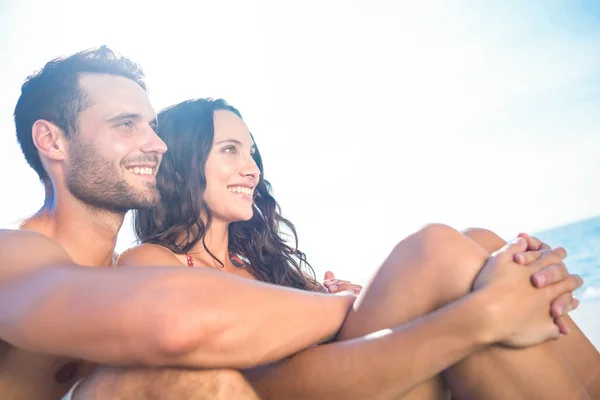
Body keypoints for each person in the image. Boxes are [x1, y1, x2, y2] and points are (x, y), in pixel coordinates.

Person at [122, 97, 600, 399]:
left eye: (252, 153)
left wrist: (338, 299)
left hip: (341, 376)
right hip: (286, 391)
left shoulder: (256, 265)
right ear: (181, 161)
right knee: (434, 250)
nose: (252, 169)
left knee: (486, 246)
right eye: (230, 150)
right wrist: (340, 306)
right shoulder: (149, 260)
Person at [0, 47, 357, 400]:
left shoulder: (123, 272)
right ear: (52, 141)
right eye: (126, 124)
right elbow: (178, 322)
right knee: (199, 384)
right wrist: (340, 306)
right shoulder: (11, 254)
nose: (158, 145)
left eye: (152, 127)